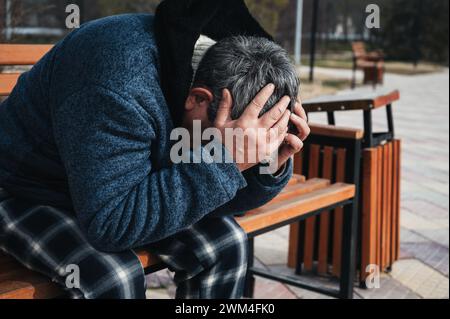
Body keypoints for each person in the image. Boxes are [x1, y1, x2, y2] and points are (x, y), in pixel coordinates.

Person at [0, 13, 309, 299]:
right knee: (115, 277)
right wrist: (225, 161)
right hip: (24, 187)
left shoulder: (211, 76)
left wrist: (266, 164)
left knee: (228, 245)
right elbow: (111, 226)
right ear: (198, 98)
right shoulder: (118, 86)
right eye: (233, 139)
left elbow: (223, 200)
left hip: (121, 183)